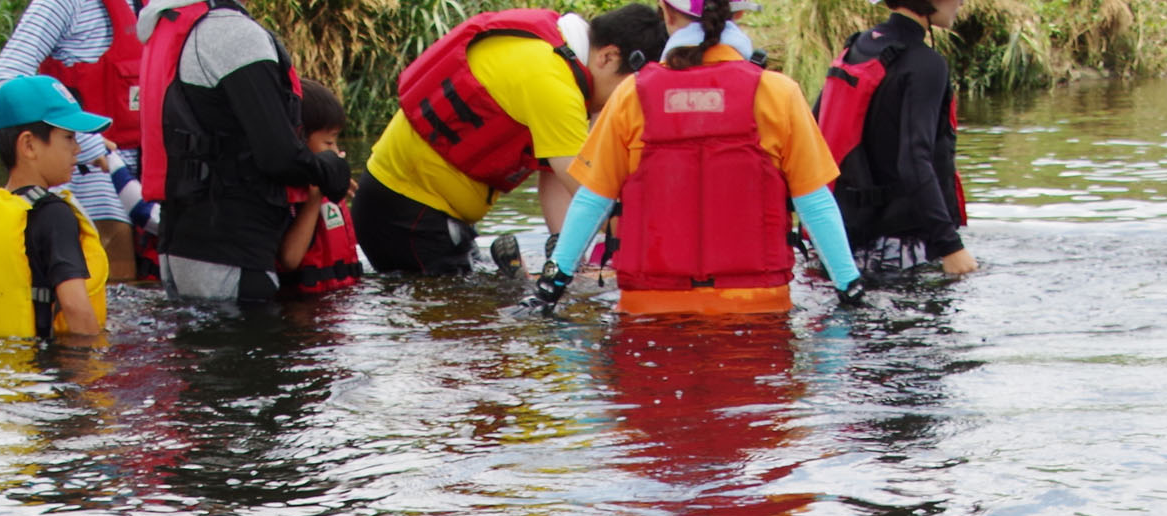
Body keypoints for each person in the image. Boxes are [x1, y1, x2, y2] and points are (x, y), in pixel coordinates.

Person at [536, 0, 865, 315]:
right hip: (757, 307)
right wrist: (849, 286)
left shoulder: (630, 95)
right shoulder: (780, 94)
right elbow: (816, 205)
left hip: (651, 308)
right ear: (738, 15)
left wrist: (551, 285)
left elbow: (591, 203)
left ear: (666, 13)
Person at [359, 5, 667, 276]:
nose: (624, 106)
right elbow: (588, 195)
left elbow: (559, 177)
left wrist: (566, 261)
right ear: (609, 57)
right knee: (468, 322)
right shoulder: (553, 84)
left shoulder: (557, 49)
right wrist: (660, 245)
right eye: (626, 92)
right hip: (406, 217)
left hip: (414, 209)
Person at [135, 0, 352, 303]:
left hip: (180, 253)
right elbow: (278, 156)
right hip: (232, 258)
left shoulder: (171, 25)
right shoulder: (232, 33)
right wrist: (332, 170)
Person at [818, 0, 976, 279]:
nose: (962, 1)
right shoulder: (925, 63)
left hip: (845, 244)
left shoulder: (857, 46)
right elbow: (914, 160)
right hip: (902, 251)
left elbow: (814, 129)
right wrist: (950, 246)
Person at [0, 0, 145, 277]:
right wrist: (86, 143)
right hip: (92, 181)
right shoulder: (62, 3)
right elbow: (5, 82)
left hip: (147, 181)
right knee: (109, 306)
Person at [0, 76, 110, 338]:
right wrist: (96, 371)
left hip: (2, 369)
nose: (77, 148)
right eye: (68, 137)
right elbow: (74, 307)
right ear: (29, 146)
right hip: (52, 371)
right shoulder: (54, 215)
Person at [280, 83, 362, 298]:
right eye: (328, 142)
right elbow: (290, 260)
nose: (335, 151)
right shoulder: (287, 194)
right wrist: (315, 195)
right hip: (301, 312)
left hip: (336, 305)